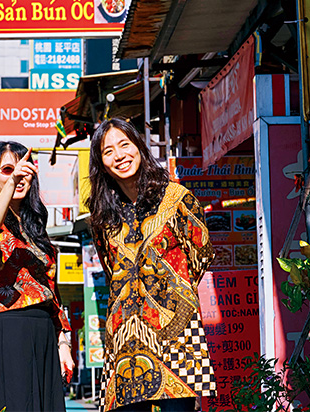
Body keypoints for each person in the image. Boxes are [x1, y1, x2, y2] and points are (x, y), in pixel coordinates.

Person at [88, 118, 216, 412]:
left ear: (139, 147)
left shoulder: (177, 198)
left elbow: (201, 254)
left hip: (176, 331)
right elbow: (112, 271)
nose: (119, 156)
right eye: (108, 151)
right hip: (124, 339)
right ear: (101, 164)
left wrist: (171, 295)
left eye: (125, 145)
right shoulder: (102, 216)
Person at [0, 141, 74, 412]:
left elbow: (51, 289)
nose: (18, 176)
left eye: (23, 170)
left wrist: (63, 342)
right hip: (8, 330)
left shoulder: (33, 224)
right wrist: (11, 184)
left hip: (44, 332)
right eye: (7, 170)